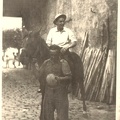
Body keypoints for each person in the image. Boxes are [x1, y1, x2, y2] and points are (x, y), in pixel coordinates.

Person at [38, 45, 72, 120]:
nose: (53, 57)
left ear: (59, 54)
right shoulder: (46, 63)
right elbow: (40, 75)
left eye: (55, 55)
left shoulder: (63, 63)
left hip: (60, 93)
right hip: (48, 92)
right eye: (51, 55)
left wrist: (59, 79)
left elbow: (69, 77)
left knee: (62, 116)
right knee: (47, 116)